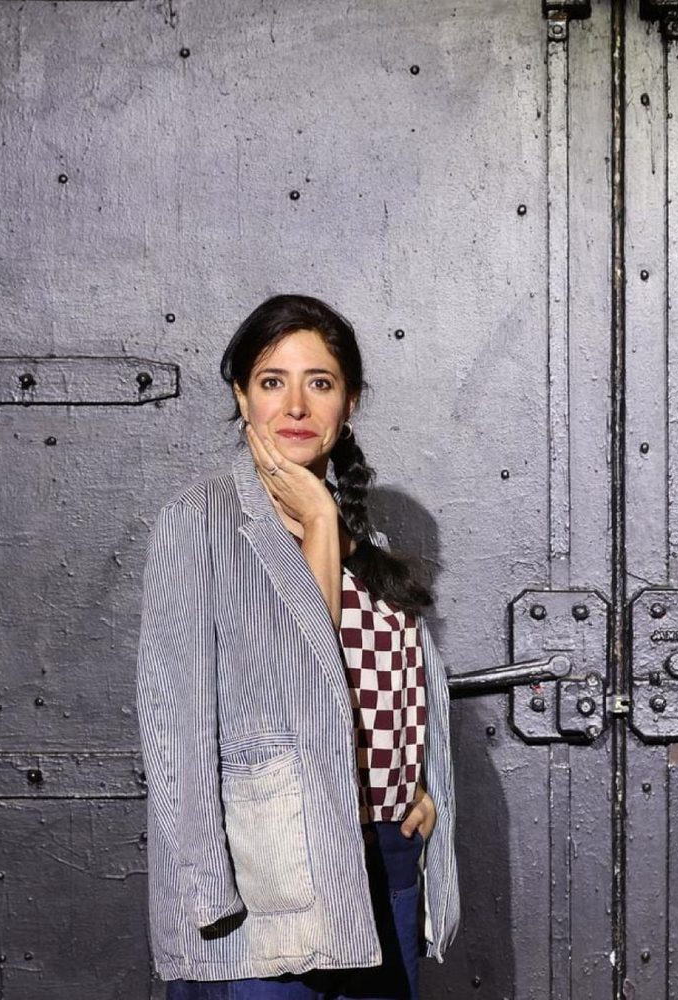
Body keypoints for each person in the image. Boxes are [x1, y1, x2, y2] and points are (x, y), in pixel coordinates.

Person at [136, 294, 459, 999]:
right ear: (241, 397)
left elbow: (390, 674)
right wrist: (204, 894)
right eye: (271, 381)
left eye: (320, 382)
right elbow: (174, 724)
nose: (296, 405)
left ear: (350, 402)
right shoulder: (200, 521)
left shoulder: (360, 539)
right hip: (274, 870)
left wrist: (421, 785)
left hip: (387, 853)